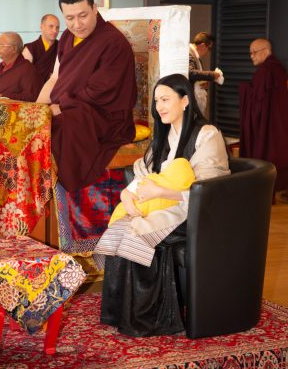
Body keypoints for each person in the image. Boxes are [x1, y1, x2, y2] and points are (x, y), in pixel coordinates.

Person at [94, 73, 230, 337]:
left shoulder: (206, 135)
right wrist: (127, 196)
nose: (160, 107)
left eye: (166, 99)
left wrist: (162, 190)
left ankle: (148, 319)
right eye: (157, 101)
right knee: (121, 227)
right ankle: (120, 313)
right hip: (163, 206)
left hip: (193, 211)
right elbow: (142, 174)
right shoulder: (163, 136)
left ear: (186, 100)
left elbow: (210, 189)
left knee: (139, 233)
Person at [36, 0, 137, 191]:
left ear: (95, 8)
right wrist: (36, 109)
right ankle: (34, 189)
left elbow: (99, 92)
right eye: (69, 18)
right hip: (74, 106)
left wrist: (60, 107)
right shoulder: (66, 37)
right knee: (34, 124)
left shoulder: (113, 43)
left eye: (82, 15)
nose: (77, 24)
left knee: (62, 128)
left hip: (104, 115)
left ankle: (59, 192)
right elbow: (56, 77)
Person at [239, 38, 288, 201]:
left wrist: (244, 89)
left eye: (254, 52)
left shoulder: (265, 71)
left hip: (266, 124)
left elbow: (256, 102)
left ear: (265, 51)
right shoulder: (278, 68)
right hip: (278, 121)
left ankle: (264, 190)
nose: (251, 56)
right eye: (250, 53)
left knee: (265, 152)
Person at [108, 157, 195, 226]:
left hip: (177, 209)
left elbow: (201, 195)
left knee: (131, 229)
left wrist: (160, 192)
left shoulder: (201, 142)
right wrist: (125, 193)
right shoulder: (161, 140)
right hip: (141, 203)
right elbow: (145, 176)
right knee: (117, 229)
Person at [0, 32, 43, 101]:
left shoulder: (27, 69)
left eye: (2, 45)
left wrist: (3, 97)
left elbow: (32, 96)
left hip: (13, 111)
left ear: (14, 49)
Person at [189, 32, 224, 117]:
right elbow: (191, 73)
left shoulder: (195, 56)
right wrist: (212, 75)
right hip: (189, 102)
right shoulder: (189, 53)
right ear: (202, 45)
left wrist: (203, 83)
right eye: (209, 48)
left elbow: (196, 77)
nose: (208, 52)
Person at [22, 14, 60, 83]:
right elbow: (24, 75)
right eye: (51, 26)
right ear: (41, 27)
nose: (55, 31)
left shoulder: (62, 46)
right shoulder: (30, 49)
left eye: (57, 27)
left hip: (56, 87)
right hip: (34, 88)